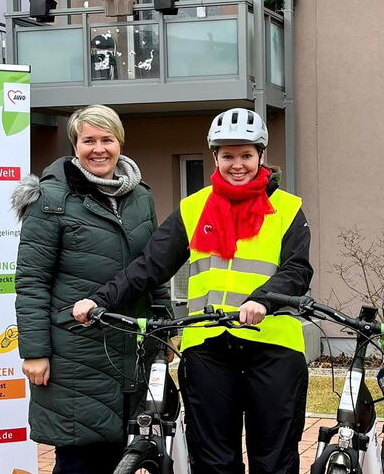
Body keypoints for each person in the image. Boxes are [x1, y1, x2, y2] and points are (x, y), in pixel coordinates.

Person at [72, 107, 313, 474]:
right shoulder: (194, 208)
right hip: (208, 347)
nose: (237, 164)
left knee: (275, 459)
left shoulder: (287, 209)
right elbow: (150, 265)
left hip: (274, 347)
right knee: (213, 460)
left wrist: (262, 300)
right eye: (228, 155)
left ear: (261, 156)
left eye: (246, 155)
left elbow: (297, 270)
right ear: (215, 156)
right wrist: (100, 300)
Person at [12, 105, 170, 474]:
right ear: (75, 145)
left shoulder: (140, 197)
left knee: (126, 452)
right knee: (80, 458)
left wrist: (164, 331)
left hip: (131, 347)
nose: (98, 149)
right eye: (88, 140)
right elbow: (32, 281)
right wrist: (35, 352)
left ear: (120, 143)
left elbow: (154, 268)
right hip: (75, 351)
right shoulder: (51, 199)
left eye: (107, 139)